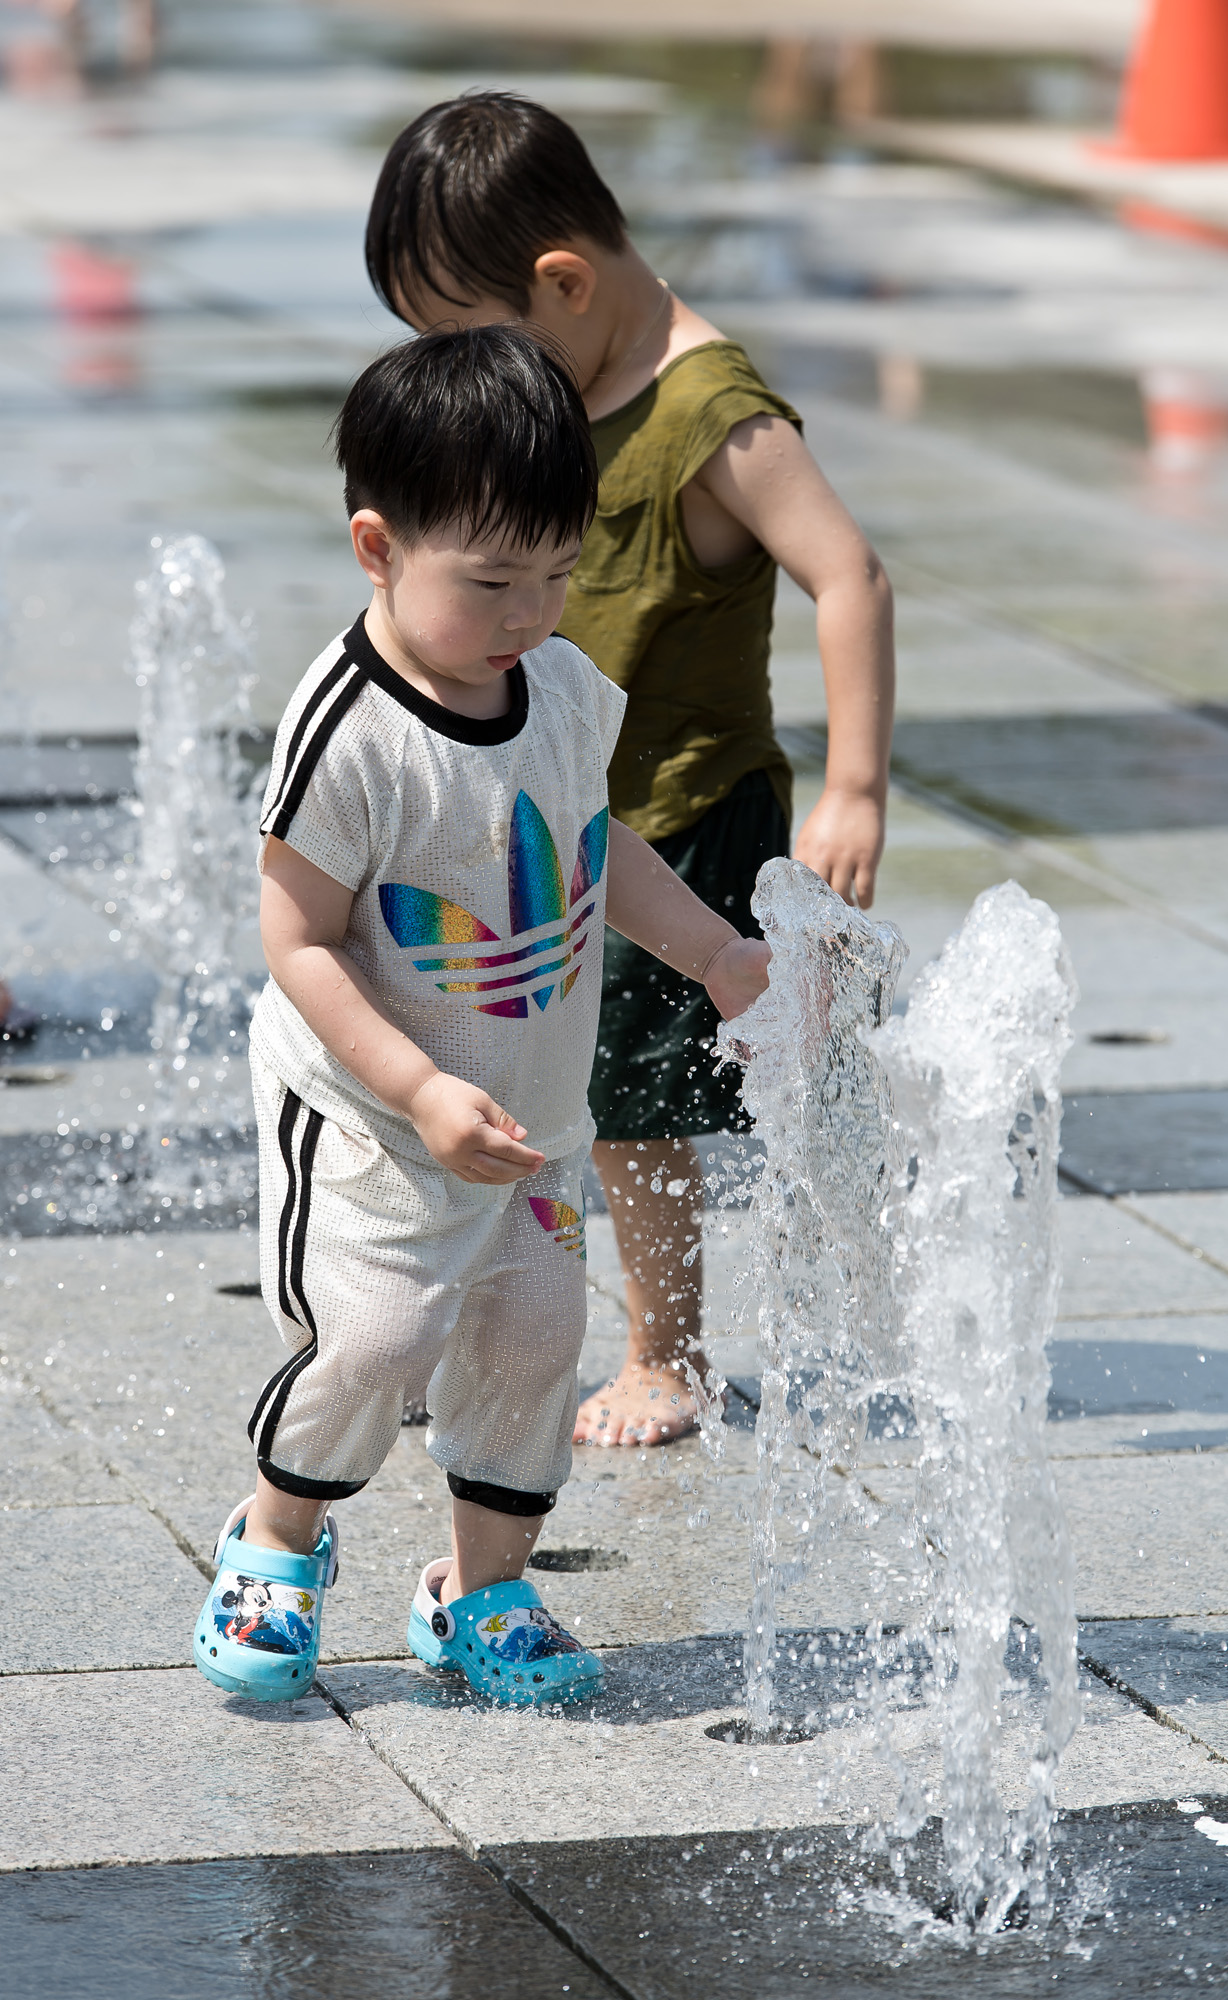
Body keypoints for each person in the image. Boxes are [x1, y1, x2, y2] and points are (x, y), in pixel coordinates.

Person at [192, 326, 770, 1708]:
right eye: (494, 580)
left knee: (531, 1341)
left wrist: (707, 950)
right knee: (376, 1339)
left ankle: (483, 1589)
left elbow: (593, 839)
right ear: (379, 549)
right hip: (373, 1115)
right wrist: (419, 1088)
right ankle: (276, 1544)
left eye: (559, 573)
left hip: (532, 1119)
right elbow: (298, 939)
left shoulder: (561, 687)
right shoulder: (348, 729)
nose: (530, 611)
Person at [364, 93, 895, 1449]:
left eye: (467, 337)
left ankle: (671, 1354)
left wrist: (857, 786)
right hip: (565, 813)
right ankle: (490, 1319)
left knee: (629, 1107)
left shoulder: (715, 413)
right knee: (519, 1069)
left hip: (685, 815)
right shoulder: (571, 390)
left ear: (564, 283)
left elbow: (849, 575)